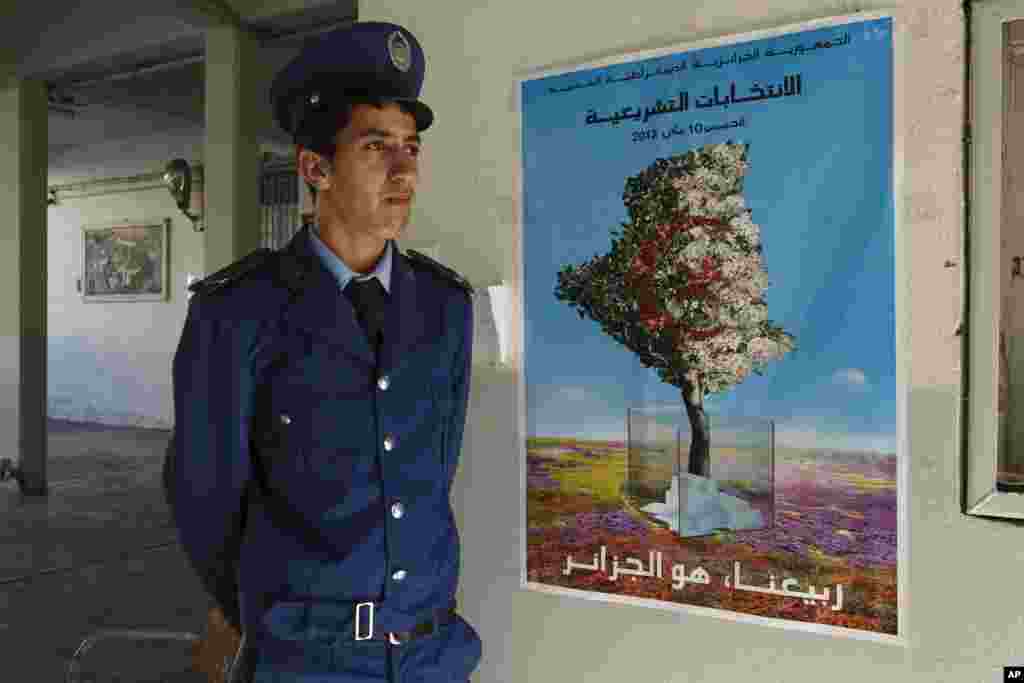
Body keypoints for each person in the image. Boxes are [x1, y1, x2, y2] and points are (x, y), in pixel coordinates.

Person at [165, 21, 481, 682]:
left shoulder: (446, 306)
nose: (404, 172)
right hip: (309, 661)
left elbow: (432, 471)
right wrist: (270, 612)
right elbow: (204, 498)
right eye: (375, 147)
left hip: (430, 653)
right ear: (315, 168)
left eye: (411, 148)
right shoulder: (238, 311)